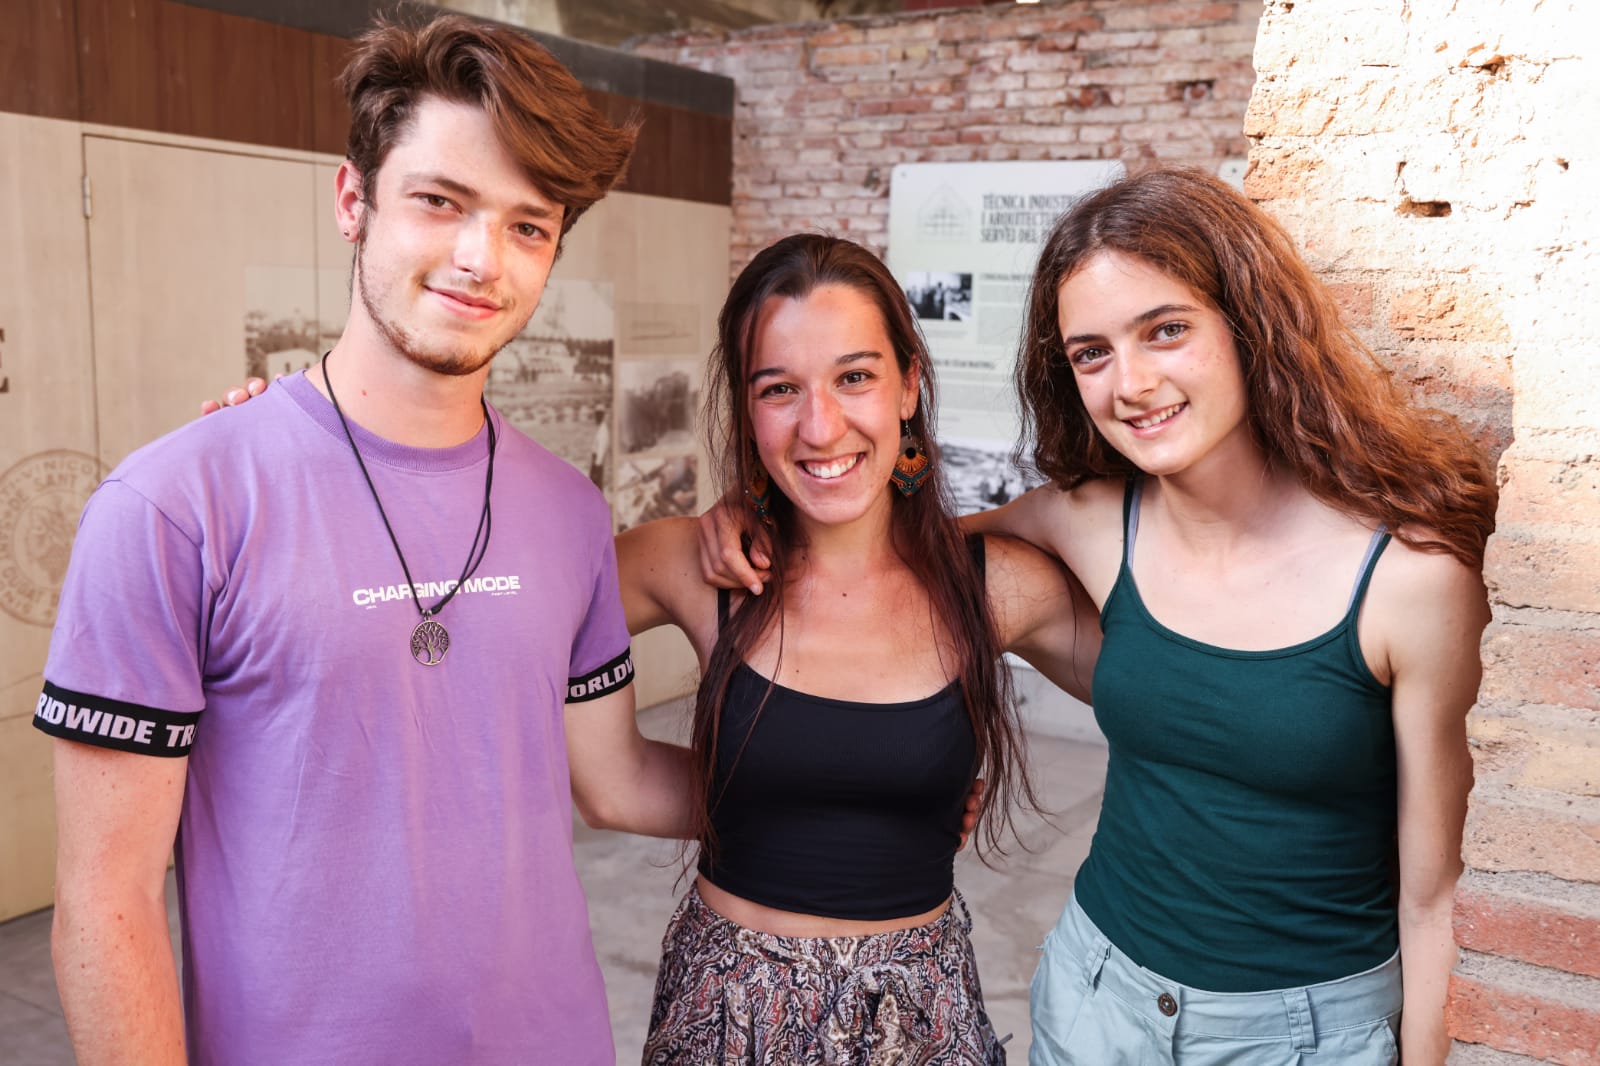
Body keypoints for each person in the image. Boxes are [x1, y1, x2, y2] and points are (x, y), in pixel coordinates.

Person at [704, 169, 1494, 1065]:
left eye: (1166, 330)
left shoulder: (1409, 582)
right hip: (1095, 1005)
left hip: (1304, 1035)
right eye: (1091, 353)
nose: (1133, 383)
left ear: (1249, 325)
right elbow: (878, 542)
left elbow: (1434, 900)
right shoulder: (1085, 521)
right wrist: (752, 513)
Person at [34, 14, 695, 1066]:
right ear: (354, 201)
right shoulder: (172, 506)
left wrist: (848, 788)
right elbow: (104, 902)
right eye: (441, 201)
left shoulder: (568, 508)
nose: (481, 257)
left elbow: (612, 781)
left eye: (529, 225)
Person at [614, 233, 1099, 1064]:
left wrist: (1056, 513)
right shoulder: (696, 568)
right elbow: (497, 631)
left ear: (909, 382)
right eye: (779, 389)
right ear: (746, 405)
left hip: (918, 1020)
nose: (820, 425)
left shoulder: (993, 585)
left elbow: (1181, 680)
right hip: (726, 1019)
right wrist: (773, 800)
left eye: (855, 376)